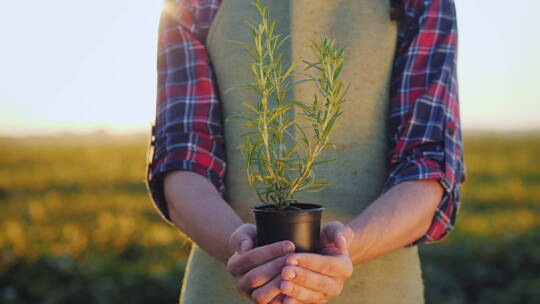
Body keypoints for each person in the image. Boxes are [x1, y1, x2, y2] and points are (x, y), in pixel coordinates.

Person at [145, 0, 465, 303]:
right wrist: (242, 250)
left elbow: (427, 164)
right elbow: (183, 157)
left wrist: (341, 250)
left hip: (380, 288)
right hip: (226, 284)